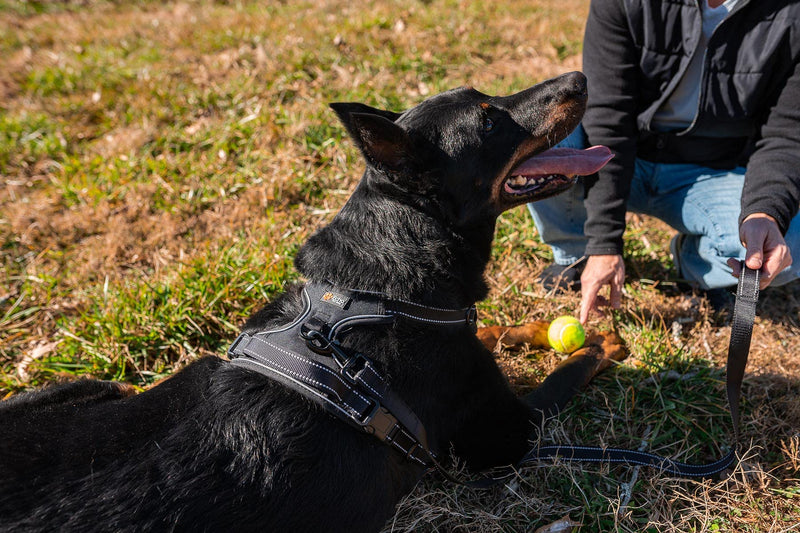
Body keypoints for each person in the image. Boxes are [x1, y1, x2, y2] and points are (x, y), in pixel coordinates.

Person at [528, 0, 800, 323]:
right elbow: (609, 120)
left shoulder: (792, 13)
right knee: (538, 142)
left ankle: (695, 264)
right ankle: (577, 253)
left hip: (711, 170)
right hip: (617, 153)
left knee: (791, 239)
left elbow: (785, 135)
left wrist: (764, 212)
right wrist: (604, 243)